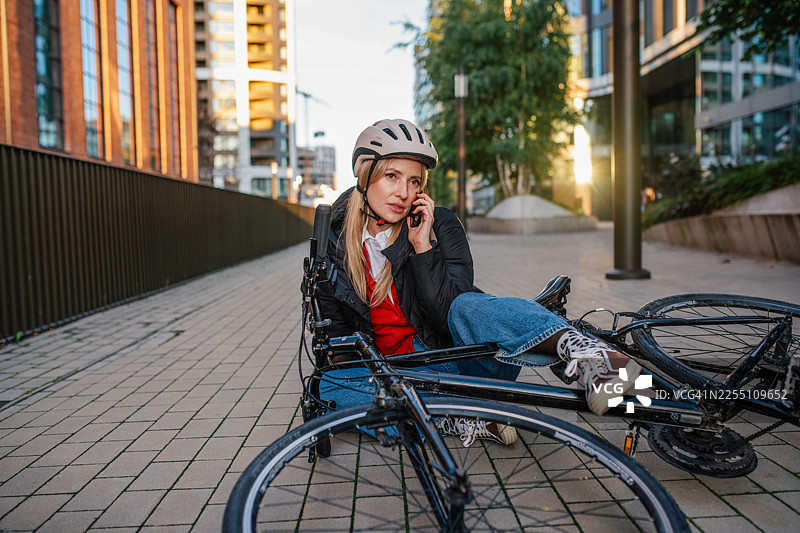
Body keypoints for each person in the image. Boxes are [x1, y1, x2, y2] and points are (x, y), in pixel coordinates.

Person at [317, 118, 641, 444]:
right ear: (364, 176)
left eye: (414, 182)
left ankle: (592, 357)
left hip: (466, 362)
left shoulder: (439, 224)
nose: (404, 193)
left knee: (466, 305)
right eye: (392, 176)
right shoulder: (335, 246)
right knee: (327, 386)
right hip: (405, 374)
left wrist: (422, 247)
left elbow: (447, 314)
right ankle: (462, 419)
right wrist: (358, 380)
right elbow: (337, 342)